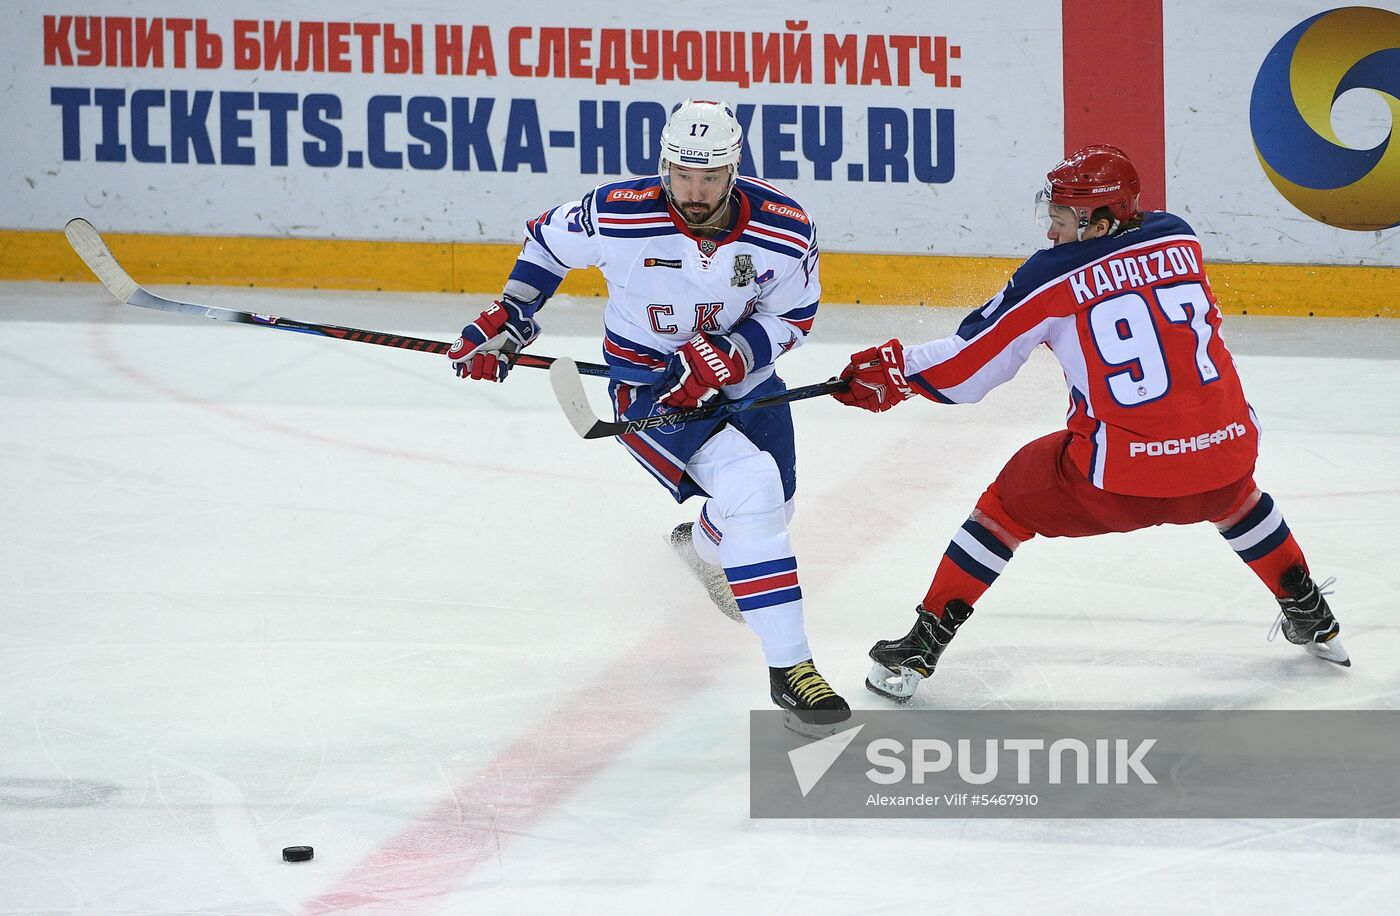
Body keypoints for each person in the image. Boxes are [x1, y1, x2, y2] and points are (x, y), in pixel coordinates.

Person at [832, 144, 1349, 704]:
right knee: (1233, 494)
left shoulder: (1049, 277)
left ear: (1098, 220)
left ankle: (919, 648)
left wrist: (897, 371)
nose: (1050, 233)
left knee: (1005, 507)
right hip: (1226, 456)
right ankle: (1310, 612)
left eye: (1059, 220)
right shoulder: (1179, 235)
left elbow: (968, 368)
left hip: (1119, 482)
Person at [447, 98, 848, 734]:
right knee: (754, 489)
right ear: (663, 164)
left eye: (710, 177)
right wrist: (511, 317)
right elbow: (547, 244)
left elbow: (794, 317)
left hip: (749, 382)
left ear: (734, 170)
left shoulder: (784, 225)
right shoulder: (617, 211)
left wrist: (731, 354)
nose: (694, 191)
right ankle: (792, 670)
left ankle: (703, 548)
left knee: (771, 511)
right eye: (683, 175)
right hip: (649, 386)